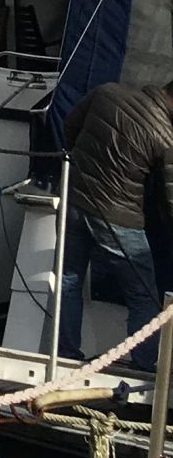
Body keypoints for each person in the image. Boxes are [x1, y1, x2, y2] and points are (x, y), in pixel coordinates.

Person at [59, 75, 173, 359]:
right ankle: (145, 364)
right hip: (120, 219)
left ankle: (65, 353)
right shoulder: (165, 136)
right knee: (143, 294)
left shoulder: (105, 93)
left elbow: (70, 126)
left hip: (73, 201)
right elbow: (169, 198)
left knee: (67, 280)